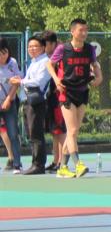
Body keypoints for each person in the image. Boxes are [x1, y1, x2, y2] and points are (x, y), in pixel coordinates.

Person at [46, 18, 103, 179]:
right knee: (71, 130)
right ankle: (78, 164)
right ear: (72, 31)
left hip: (82, 91)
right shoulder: (63, 49)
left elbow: (95, 65)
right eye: (81, 30)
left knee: (74, 131)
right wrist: (56, 79)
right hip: (66, 92)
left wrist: (99, 77)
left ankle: (62, 168)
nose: (84, 33)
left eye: (86, 30)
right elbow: (49, 65)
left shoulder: (89, 49)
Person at [10, 34, 50, 174]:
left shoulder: (45, 62)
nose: (32, 49)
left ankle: (38, 165)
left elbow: (38, 81)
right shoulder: (34, 62)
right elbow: (29, 80)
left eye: (35, 46)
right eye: (30, 47)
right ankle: (35, 163)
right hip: (29, 100)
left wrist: (20, 81)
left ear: (43, 48)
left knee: (36, 133)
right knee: (31, 133)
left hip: (36, 102)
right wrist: (21, 80)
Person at [40, 30, 65, 172]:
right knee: (54, 131)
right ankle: (56, 161)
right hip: (51, 97)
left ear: (52, 43)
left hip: (59, 97)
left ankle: (62, 162)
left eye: (45, 44)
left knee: (60, 130)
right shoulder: (50, 57)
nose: (43, 48)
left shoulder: (62, 54)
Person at [0, 38, 23, 174]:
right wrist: (8, 79)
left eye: (5, 52)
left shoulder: (12, 63)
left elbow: (18, 81)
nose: (3, 56)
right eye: (0, 53)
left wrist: (8, 99)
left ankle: (17, 164)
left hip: (9, 102)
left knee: (13, 133)